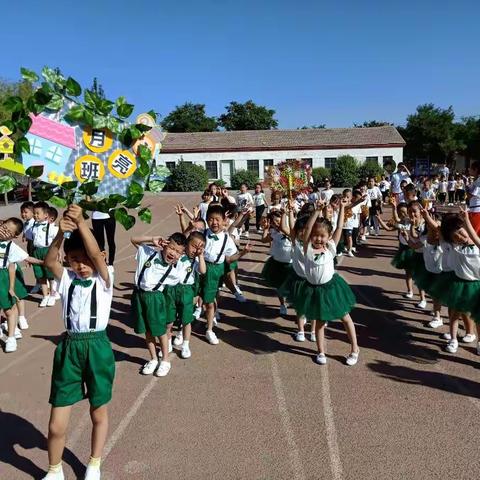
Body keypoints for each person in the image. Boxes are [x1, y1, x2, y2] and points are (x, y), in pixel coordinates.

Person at [42, 204, 115, 480]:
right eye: (75, 260)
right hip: (70, 348)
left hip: (97, 347)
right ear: (69, 260)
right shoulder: (67, 279)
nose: (81, 265)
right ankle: (54, 468)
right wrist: (60, 234)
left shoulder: (105, 279)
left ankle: (94, 462)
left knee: (98, 412)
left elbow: (95, 253)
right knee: (57, 423)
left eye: (85, 260)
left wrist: (83, 222)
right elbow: (50, 262)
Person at [293, 198, 359, 365]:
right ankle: (321, 352)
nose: (318, 239)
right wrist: (317, 211)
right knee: (320, 322)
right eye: (315, 235)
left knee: (345, 318)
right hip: (314, 290)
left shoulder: (331, 247)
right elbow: (308, 228)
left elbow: (339, 226)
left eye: (322, 236)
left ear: (328, 237)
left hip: (331, 288)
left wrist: (343, 207)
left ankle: (355, 348)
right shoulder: (306, 247)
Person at [131, 232, 186, 376]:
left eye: (178, 252)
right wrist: (151, 239)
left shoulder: (175, 271)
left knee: (160, 330)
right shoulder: (149, 253)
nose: (173, 253)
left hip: (155, 298)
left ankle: (165, 361)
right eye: (172, 248)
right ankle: (153, 359)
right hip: (138, 295)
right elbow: (133, 239)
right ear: (165, 244)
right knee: (147, 330)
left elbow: (179, 281)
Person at [201, 205, 249, 344]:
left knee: (210, 301)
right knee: (192, 299)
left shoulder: (226, 239)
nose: (214, 222)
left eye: (217, 219)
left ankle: (209, 329)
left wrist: (242, 253)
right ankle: (182, 331)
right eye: (210, 219)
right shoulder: (201, 234)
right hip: (198, 268)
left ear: (223, 220)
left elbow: (229, 258)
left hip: (215, 269)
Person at [434, 211, 479, 354]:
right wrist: (429, 217)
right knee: (454, 314)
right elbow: (440, 232)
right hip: (460, 284)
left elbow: (473, 236)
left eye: (461, 232)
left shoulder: (478, 245)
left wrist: (466, 220)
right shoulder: (453, 246)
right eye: (456, 236)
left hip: (477, 285)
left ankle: (479, 341)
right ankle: (453, 339)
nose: (460, 237)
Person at [0, 218, 43, 352]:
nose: (3, 231)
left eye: (8, 231)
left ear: (14, 236)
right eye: (3, 227)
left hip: (2, 279)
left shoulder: (11, 247)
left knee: (9, 310)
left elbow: (26, 259)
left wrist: (45, 262)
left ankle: (11, 338)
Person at [167, 231, 207, 359]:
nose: (195, 250)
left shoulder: (195, 261)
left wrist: (200, 256)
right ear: (187, 244)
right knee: (169, 320)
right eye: (193, 246)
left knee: (186, 320)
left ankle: (185, 344)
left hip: (187, 290)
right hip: (172, 289)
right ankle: (167, 344)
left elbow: (203, 270)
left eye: (199, 248)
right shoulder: (178, 255)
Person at [261, 209, 293, 315]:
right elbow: (264, 240)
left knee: (293, 287)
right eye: (273, 222)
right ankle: (282, 304)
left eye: (278, 221)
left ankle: (295, 304)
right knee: (279, 286)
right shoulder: (273, 233)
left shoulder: (290, 231)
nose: (276, 224)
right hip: (277, 263)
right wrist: (265, 229)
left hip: (291, 264)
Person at [31, 202, 59, 307]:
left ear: (46, 215)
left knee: (50, 275)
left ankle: (52, 294)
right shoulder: (33, 226)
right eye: (34, 213)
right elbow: (31, 239)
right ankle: (45, 296)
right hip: (36, 251)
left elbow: (58, 239)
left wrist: (57, 252)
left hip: (47, 251)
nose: (35, 215)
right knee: (40, 275)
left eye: (38, 213)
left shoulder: (51, 227)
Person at [467, 161, 480, 234]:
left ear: (476, 169)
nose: (469, 169)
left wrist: (466, 189)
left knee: (473, 234)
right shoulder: (476, 180)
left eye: (471, 168)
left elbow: (469, 196)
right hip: (474, 209)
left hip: (476, 211)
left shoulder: (478, 181)